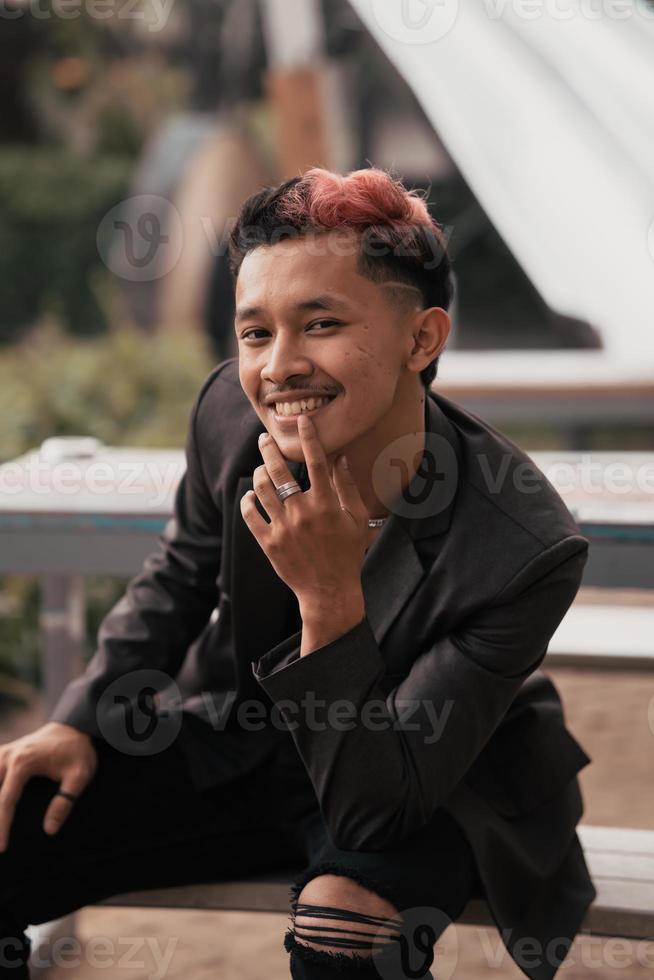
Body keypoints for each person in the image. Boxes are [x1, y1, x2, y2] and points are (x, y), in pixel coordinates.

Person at [0, 167, 595, 980]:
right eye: (255, 332)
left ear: (422, 339)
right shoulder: (227, 415)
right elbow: (179, 573)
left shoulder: (525, 548)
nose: (279, 367)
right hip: (249, 740)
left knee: (344, 926)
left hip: (428, 777)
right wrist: (83, 715)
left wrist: (328, 595)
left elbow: (373, 810)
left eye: (320, 323)